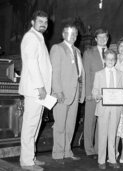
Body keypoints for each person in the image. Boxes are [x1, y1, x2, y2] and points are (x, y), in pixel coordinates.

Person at [19, 10, 52, 171]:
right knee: (30, 125)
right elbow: (32, 63)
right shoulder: (31, 37)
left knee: (36, 125)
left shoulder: (39, 38)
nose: (43, 24)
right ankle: (26, 161)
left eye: (45, 22)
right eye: (40, 21)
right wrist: (40, 86)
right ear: (33, 22)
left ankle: (30, 157)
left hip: (39, 90)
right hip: (35, 90)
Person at [50, 24, 85, 162]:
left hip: (75, 93)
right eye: (70, 33)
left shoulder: (77, 51)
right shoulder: (57, 48)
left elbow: (80, 73)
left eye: (75, 34)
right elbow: (54, 72)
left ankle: (67, 151)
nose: (73, 36)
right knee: (60, 125)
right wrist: (57, 91)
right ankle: (58, 153)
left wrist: (82, 92)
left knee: (71, 125)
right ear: (63, 34)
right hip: (62, 93)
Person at [92, 49, 123, 169]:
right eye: (108, 59)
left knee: (113, 134)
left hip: (116, 109)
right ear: (104, 60)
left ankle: (112, 159)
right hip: (103, 107)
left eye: (113, 59)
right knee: (102, 134)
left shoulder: (121, 74)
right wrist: (98, 96)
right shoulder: (99, 74)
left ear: (115, 60)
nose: (110, 61)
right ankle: (101, 160)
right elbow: (94, 91)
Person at [83, 29, 109, 159]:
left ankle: (99, 149)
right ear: (96, 39)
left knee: (102, 123)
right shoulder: (89, 53)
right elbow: (86, 74)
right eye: (100, 37)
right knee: (90, 121)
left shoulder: (111, 53)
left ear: (107, 38)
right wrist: (87, 92)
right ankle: (89, 149)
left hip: (107, 95)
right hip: (93, 93)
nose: (103, 39)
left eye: (105, 37)